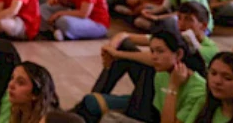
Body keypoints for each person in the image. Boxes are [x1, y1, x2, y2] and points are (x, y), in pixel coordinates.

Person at [73, 29, 206, 123]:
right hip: (145, 108)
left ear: (179, 54)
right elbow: (124, 37)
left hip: (150, 113)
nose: (154, 57)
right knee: (90, 103)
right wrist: (113, 51)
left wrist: (173, 87)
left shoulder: (198, 90)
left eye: (160, 51)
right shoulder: (162, 71)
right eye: (152, 51)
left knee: (97, 109)